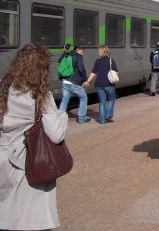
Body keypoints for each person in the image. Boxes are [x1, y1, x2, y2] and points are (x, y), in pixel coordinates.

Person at [0, 44, 69, 230]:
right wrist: (63, 116)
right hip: (30, 162)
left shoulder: (3, 89)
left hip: (3, 160)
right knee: (31, 218)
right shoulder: (42, 96)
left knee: (6, 215)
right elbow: (55, 135)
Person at [84, 46, 118, 124]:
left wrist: (88, 81)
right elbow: (116, 72)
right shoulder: (111, 60)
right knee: (111, 99)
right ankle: (108, 115)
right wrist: (116, 80)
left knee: (102, 102)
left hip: (99, 84)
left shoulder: (97, 61)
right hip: (108, 84)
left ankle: (102, 120)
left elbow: (94, 72)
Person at [59, 45, 90, 123]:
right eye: (83, 51)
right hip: (75, 83)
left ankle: (60, 119)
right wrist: (85, 80)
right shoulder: (78, 57)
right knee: (83, 98)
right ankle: (82, 118)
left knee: (64, 101)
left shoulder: (67, 55)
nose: (83, 53)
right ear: (79, 50)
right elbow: (81, 69)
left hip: (65, 82)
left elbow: (60, 63)